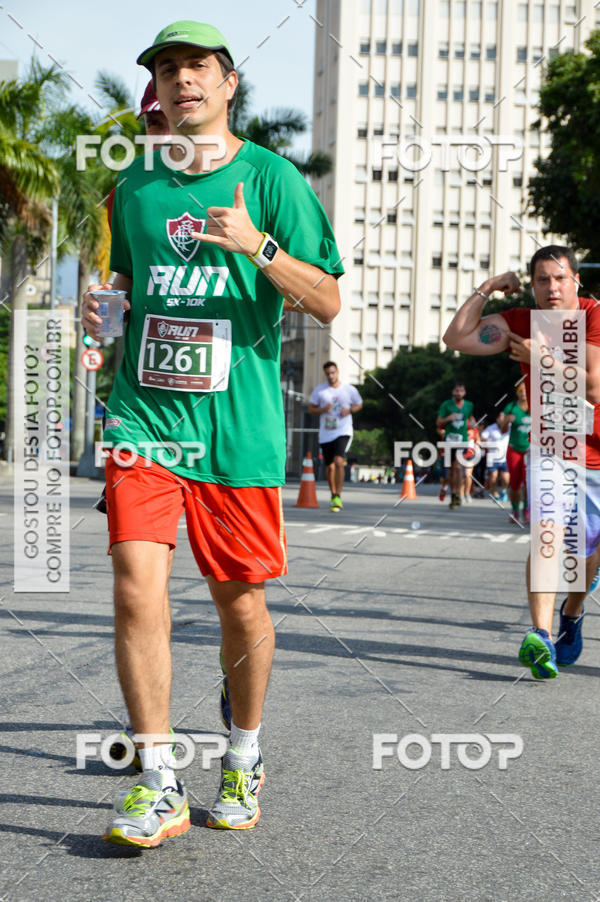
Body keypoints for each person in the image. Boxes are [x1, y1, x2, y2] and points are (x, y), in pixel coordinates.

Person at [82, 19, 343, 847]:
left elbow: (326, 300)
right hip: (146, 421)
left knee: (240, 601)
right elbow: (125, 287)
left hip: (237, 429)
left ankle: (243, 753)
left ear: (229, 84)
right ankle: (159, 781)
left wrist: (257, 246)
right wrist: (105, 311)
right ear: (156, 90)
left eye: (197, 66)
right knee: (135, 583)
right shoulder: (134, 186)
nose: (181, 79)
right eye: (167, 69)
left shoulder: (271, 179)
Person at [443, 245, 600, 679]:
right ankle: (541, 636)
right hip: (551, 447)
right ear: (531, 285)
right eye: (542, 280)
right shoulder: (522, 322)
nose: (552, 287)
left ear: (576, 280)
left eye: (560, 278)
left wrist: (540, 359)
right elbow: (456, 338)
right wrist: (490, 286)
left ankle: (573, 612)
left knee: (587, 553)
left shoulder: (593, 316)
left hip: (597, 451)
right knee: (546, 532)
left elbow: (595, 388)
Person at [309, 361, 362, 511]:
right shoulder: (320, 391)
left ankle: (338, 494)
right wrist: (322, 409)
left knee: (339, 461)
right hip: (326, 433)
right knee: (330, 466)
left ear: (337, 372)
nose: (331, 376)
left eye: (333, 373)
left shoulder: (349, 389)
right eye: (328, 374)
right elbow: (311, 409)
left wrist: (350, 410)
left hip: (343, 430)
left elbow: (359, 404)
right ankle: (333, 494)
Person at [435, 382, 474, 509]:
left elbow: (470, 419)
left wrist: (473, 425)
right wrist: (448, 418)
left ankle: (458, 493)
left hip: (462, 440)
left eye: (461, 391)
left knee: (458, 467)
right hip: (449, 441)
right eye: (457, 391)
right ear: (453, 392)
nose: (459, 393)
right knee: (451, 471)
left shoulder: (469, 405)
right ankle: (453, 494)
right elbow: (438, 422)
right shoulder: (446, 405)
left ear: (465, 393)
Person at [498, 383, 530, 525]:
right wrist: (506, 421)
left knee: (528, 482)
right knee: (515, 482)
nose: (523, 392)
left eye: (525, 389)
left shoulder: (536, 406)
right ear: (517, 392)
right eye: (520, 390)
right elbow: (503, 430)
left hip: (530, 450)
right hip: (514, 449)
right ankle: (515, 510)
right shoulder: (511, 407)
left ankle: (527, 510)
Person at [480, 419, 509, 502]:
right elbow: (483, 437)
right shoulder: (491, 428)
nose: (502, 420)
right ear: (497, 419)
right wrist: (486, 441)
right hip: (493, 457)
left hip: (506, 457)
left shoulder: (510, 427)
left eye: (504, 418)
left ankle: (504, 491)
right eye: (500, 418)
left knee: (505, 479)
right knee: (493, 477)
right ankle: (495, 494)